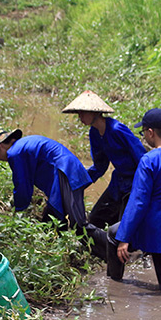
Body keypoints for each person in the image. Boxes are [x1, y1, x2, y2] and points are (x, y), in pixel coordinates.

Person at [107, 108, 161, 292]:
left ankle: (114, 287)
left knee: (113, 234)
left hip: (152, 230)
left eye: (143, 132)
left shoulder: (149, 160)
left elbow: (139, 201)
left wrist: (125, 237)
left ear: (150, 132)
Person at [61, 90, 146, 230]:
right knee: (95, 219)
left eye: (83, 112)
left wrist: (143, 186)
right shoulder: (94, 133)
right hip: (118, 183)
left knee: (125, 228)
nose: (80, 116)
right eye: (78, 113)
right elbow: (100, 165)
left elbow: (141, 157)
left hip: (134, 183)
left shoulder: (117, 130)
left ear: (95, 112)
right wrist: (79, 183)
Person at [0, 126, 91, 231]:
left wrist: (17, 209)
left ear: (0, 146)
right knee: (52, 221)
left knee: (79, 227)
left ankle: (106, 243)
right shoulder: (21, 146)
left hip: (65, 172)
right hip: (65, 173)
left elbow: (22, 185)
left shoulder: (15, 153)